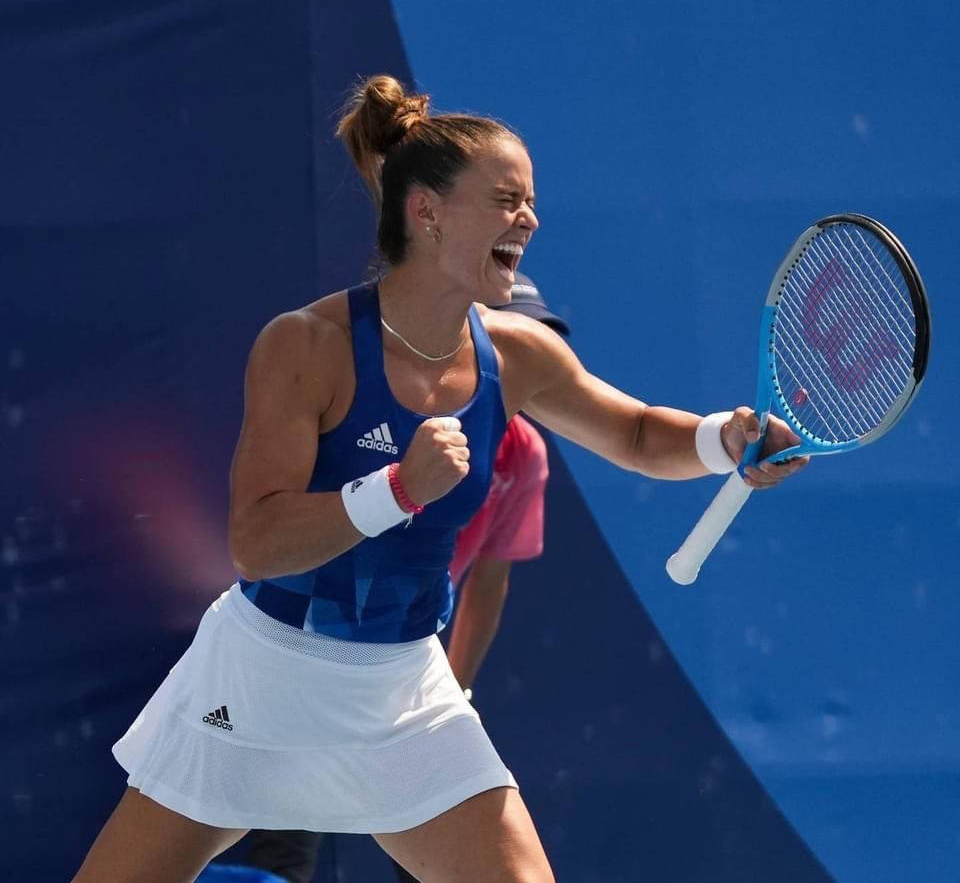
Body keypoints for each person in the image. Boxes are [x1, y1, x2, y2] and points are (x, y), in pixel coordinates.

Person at [71, 74, 807, 883]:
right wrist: (396, 491)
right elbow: (256, 542)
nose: (528, 218)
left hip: (400, 690)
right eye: (504, 199)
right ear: (425, 212)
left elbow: (634, 432)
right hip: (262, 674)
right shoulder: (304, 346)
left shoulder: (519, 354)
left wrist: (722, 438)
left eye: (529, 201)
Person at [236, 278, 568, 883]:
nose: (526, 354)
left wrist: (456, 686)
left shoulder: (526, 456)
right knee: (274, 847)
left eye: (541, 339)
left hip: (403, 665)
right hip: (302, 654)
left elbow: (489, 578)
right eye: (511, 334)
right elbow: (265, 541)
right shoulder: (375, 397)